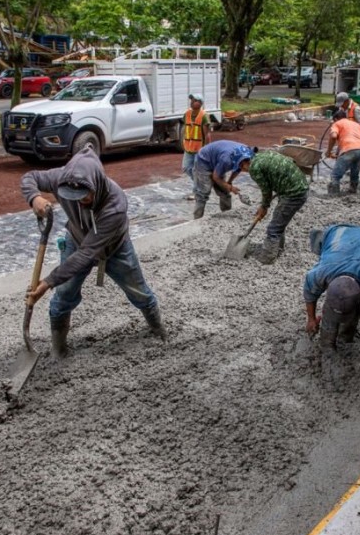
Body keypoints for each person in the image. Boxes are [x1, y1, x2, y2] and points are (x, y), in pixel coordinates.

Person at [21, 145, 166, 357]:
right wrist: (34, 197)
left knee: (140, 292)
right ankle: (59, 351)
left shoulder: (115, 205)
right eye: (73, 196)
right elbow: (30, 177)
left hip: (114, 247)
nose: (79, 201)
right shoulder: (61, 178)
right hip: (76, 239)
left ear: (96, 185)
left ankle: (158, 330)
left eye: (84, 196)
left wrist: (48, 282)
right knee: (63, 297)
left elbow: (87, 253)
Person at [238, 151, 309, 264]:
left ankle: (267, 258)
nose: (243, 171)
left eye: (241, 168)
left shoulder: (254, 168)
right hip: (298, 186)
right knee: (279, 219)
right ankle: (279, 249)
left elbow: (266, 190)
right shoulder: (262, 156)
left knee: (274, 228)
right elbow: (283, 167)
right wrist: (265, 204)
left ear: (243, 163)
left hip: (293, 193)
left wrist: (264, 206)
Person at [192, 140, 254, 219]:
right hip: (204, 160)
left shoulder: (247, 154)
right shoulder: (226, 160)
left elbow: (238, 169)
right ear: (242, 164)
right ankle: (197, 218)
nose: (246, 171)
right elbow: (216, 177)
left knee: (224, 191)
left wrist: (229, 183)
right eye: (246, 170)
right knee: (203, 192)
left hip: (217, 159)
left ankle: (226, 215)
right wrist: (230, 188)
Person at [326, 109, 360, 196]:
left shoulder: (337, 123)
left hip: (349, 149)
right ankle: (353, 190)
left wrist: (328, 151)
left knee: (335, 175)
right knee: (354, 173)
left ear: (336, 119)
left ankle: (333, 194)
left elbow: (333, 136)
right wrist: (339, 154)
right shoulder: (357, 125)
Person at [181, 93, 210, 199]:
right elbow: (185, 129)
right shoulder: (187, 114)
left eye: (194, 100)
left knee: (195, 170)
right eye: (191, 100)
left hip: (199, 149)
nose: (192, 102)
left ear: (200, 103)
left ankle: (197, 191)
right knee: (186, 168)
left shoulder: (204, 116)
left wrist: (207, 150)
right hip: (188, 148)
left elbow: (207, 134)